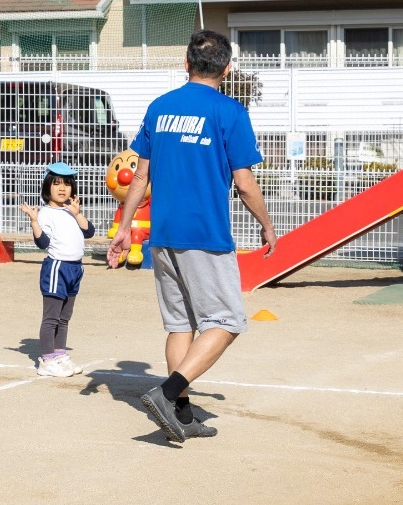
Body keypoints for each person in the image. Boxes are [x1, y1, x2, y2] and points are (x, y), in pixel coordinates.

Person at [107, 28, 277, 443]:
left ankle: (181, 415)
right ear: (228, 67)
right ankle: (167, 396)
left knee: (180, 324)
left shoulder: (160, 108)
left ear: (186, 63)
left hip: (163, 233)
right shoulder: (230, 112)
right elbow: (245, 182)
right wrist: (268, 224)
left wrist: (126, 226)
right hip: (206, 234)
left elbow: (141, 174)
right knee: (228, 320)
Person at [21, 162, 94, 377]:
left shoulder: (71, 211)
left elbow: (89, 231)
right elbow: (42, 243)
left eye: (67, 184)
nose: (62, 188)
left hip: (75, 268)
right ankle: (47, 359)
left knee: (65, 316)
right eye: (56, 184)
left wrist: (78, 213)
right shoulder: (45, 213)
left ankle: (60, 354)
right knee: (52, 317)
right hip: (57, 268)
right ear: (47, 187)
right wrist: (34, 221)